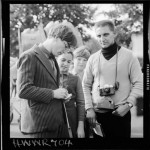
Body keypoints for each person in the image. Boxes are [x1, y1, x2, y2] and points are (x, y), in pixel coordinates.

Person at [82, 20, 143, 138]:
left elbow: (139, 83)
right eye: (98, 36)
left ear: (114, 34)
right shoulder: (93, 58)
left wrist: (128, 105)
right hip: (97, 115)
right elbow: (86, 85)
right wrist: (89, 108)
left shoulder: (129, 56)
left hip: (121, 113)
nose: (102, 39)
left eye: (105, 34)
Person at [16, 23, 78, 138]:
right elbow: (23, 90)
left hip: (59, 124)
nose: (65, 51)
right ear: (56, 37)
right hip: (40, 126)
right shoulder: (28, 56)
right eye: (65, 45)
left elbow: (49, 86)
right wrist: (53, 93)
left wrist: (61, 96)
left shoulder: (54, 59)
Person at [56, 51, 85, 138]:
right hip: (53, 118)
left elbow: (81, 103)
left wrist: (80, 126)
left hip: (71, 118)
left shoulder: (75, 79)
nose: (66, 64)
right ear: (56, 59)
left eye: (69, 62)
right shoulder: (50, 77)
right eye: (63, 60)